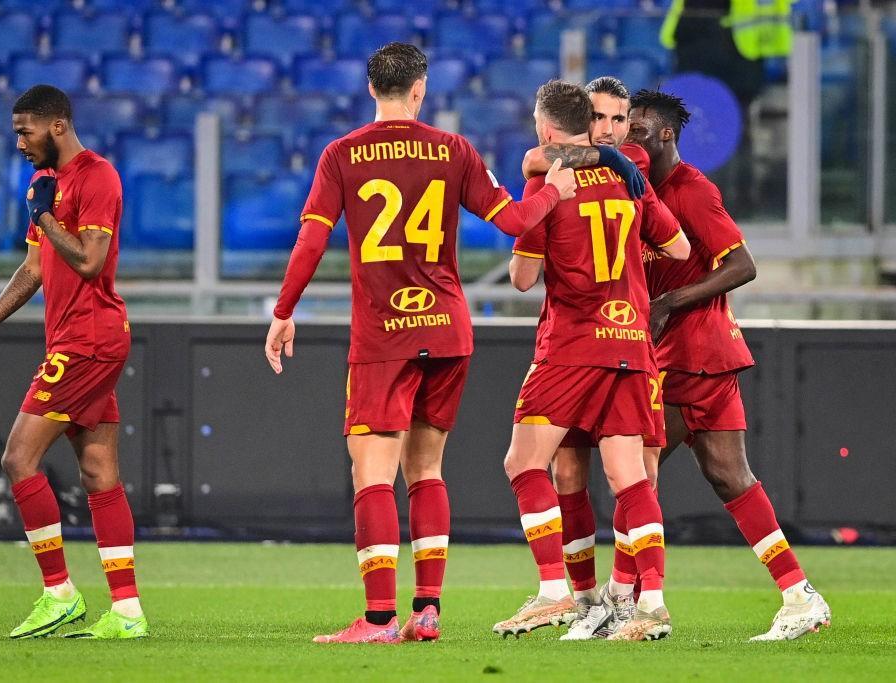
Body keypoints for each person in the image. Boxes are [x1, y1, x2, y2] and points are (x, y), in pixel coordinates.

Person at [263, 42, 581, 644]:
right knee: (428, 468)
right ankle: (427, 610)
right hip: (447, 329)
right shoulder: (453, 149)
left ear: (370, 89)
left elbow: (310, 241)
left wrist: (284, 311)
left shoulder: (342, 154)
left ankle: (380, 618)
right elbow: (514, 222)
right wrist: (551, 193)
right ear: (419, 91)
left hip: (384, 335)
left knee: (373, 476)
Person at [524, 88, 831, 641]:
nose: (621, 135)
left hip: (687, 351)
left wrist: (668, 303)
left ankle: (623, 603)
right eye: (610, 123)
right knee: (728, 476)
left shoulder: (687, 188)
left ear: (662, 134)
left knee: (633, 472)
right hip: (698, 353)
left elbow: (742, 264)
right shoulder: (643, 186)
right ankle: (798, 593)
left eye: (631, 126)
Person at [0, 85, 147, 640]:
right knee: (99, 471)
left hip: (87, 340)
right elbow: (34, 269)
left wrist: (46, 215)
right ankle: (127, 611)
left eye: (25, 131)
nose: (18, 143)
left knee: (17, 459)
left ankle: (59, 592)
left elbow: (89, 260)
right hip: (78, 338)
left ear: (57, 126)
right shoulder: (45, 184)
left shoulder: (97, 176)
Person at [493, 80, 690, 643]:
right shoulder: (631, 177)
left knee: (525, 463)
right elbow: (678, 249)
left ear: (548, 127)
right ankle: (650, 602)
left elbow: (524, 278)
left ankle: (554, 592)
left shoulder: (547, 177)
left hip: (573, 343)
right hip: (631, 339)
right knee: (630, 477)